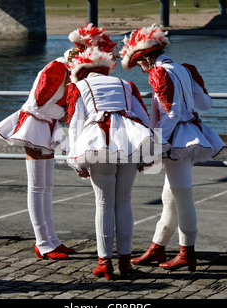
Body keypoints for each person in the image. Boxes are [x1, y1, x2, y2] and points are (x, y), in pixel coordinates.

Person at [0, 23, 116, 260]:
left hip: (48, 125)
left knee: (46, 187)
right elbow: (38, 104)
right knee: (38, 187)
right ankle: (43, 242)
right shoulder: (57, 68)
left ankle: (52, 240)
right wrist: (66, 114)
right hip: (36, 125)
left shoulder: (71, 70)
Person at [120, 24, 226, 271]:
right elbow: (206, 103)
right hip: (191, 134)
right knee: (170, 197)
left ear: (146, 57)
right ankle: (157, 247)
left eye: (139, 63)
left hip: (175, 140)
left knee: (182, 196)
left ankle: (187, 253)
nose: (140, 68)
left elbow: (171, 113)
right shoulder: (185, 69)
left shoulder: (159, 73)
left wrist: (156, 145)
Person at [66, 45, 168, 279]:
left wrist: (77, 162)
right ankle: (125, 261)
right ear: (105, 70)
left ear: (81, 70)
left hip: (99, 141)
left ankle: (105, 262)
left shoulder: (79, 87)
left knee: (103, 203)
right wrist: (148, 154)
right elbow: (143, 118)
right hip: (130, 139)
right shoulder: (126, 84)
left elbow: (74, 124)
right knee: (124, 201)